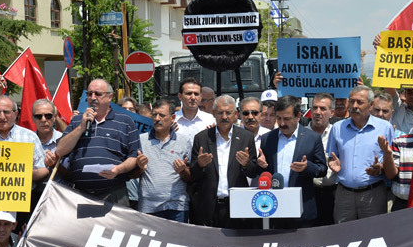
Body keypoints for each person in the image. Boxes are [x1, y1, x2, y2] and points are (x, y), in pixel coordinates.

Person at [56, 79, 140, 205]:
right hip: (81, 194)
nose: (93, 97)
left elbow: (134, 156)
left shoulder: (125, 121)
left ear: (110, 97)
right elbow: (60, 150)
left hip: (115, 194)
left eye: (98, 94)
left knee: (114, 226)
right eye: (89, 94)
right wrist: (81, 127)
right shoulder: (77, 121)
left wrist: (118, 169)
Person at [0, 95, 49, 229]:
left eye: (6, 112)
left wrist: (18, 174)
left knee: (21, 243)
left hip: (22, 203)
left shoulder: (29, 137)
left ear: (15, 114)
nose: (2, 116)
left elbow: (43, 169)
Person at [326, 86, 394, 223]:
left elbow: (392, 160)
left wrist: (380, 167)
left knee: (373, 236)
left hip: (373, 194)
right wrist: (333, 164)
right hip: (344, 194)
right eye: (351, 101)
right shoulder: (338, 128)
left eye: (359, 102)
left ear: (371, 105)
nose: (354, 106)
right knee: (343, 237)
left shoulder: (385, 128)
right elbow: (331, 157)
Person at [188, 95, 257, 228]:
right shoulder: (201, 138)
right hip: (209, 207)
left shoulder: (246, 137)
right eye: (220, 113)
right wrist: (200, 165)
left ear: (236, 114)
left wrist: (246, 164)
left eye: (228, 112)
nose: (224, 117)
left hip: (237, 206)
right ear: (213, 113)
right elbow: (193, 174)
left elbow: (253, 172)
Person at [259, 95, 327, 228]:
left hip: (302, 209)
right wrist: (261, 165)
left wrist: (307, 167)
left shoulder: (312, 138)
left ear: (298, 116)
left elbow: (322, 169)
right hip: (274, 208)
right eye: (278, 118)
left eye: (287, 119)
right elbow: (263, 171)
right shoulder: (268, 139)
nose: (282, 123)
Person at [133, 100, 192, 222]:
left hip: (177, 207)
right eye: (154, 115)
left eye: (162, 115)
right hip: (149, 208)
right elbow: (131, 175)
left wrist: (182, 171)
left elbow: (191, 178)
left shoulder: (184, 141)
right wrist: (139, 168)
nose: (157, 119)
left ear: (172, 118)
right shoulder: (141, 140)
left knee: (176, 241)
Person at [306, 93, 338, 226]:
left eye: (323, 109)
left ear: (332, 113)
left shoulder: (338, 134)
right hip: (308, 194)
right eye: (315, 108)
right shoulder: (301, 134)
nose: (318, 112)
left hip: (333, 194)